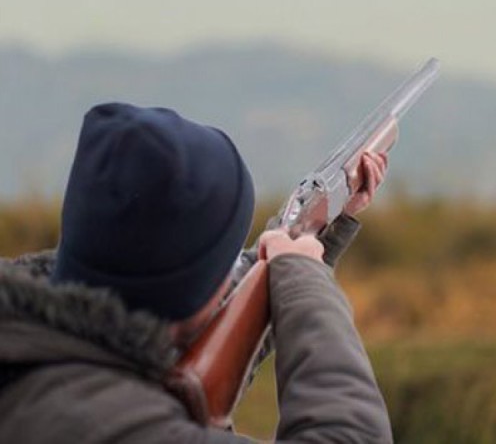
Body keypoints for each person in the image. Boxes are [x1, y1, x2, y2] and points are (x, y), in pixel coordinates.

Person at [0, 102, 393, 443]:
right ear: (188, 293)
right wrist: (304, 279)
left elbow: (214, 326)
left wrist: (321, 228)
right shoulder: (117, 427)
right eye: (227, 262)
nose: (234, 274)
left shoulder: (42, 360)